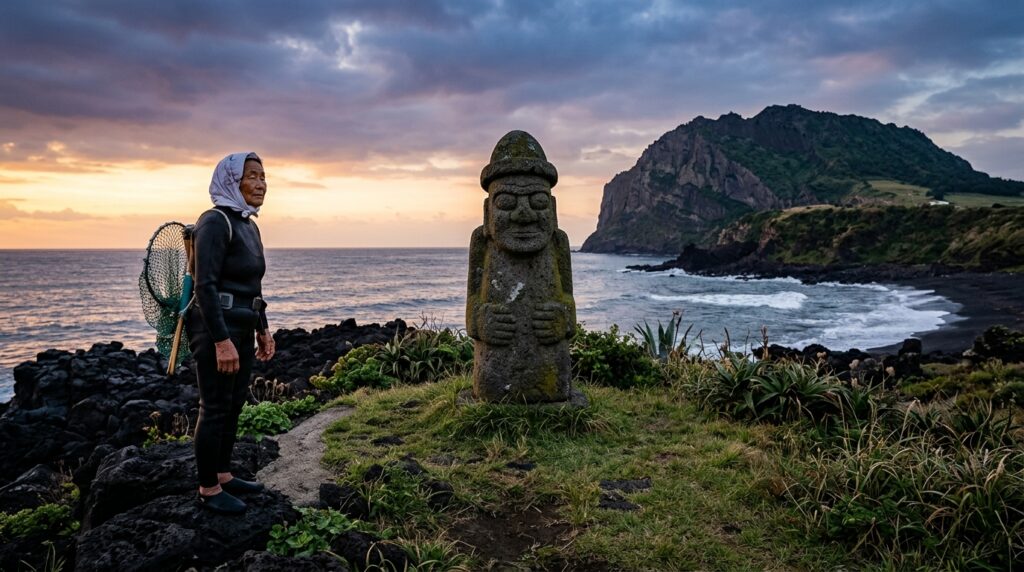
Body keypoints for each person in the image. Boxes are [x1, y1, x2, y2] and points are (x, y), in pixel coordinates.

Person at [187, 152, 276, 514]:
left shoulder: (249, 225)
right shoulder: (214, 222)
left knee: (235, 404)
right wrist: (222, 342)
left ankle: (223, 474)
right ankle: (208, 488)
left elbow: (253, 286)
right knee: (214, 406)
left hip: (243, 323)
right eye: (252, 176)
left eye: (264, 176)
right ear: (231, 180)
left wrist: (263, 330)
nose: (261, 184)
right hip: (213, 329)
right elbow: (204, 286)